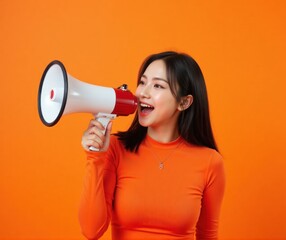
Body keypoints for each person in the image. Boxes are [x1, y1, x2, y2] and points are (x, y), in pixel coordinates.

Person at [79, 51, 225, 240]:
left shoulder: (210, 162)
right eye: (142, 82)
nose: (142, 93)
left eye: (157, 85)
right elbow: (91, 231)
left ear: (184, 102)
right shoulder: (115, 148)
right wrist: (95, 158)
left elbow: (208, 235)